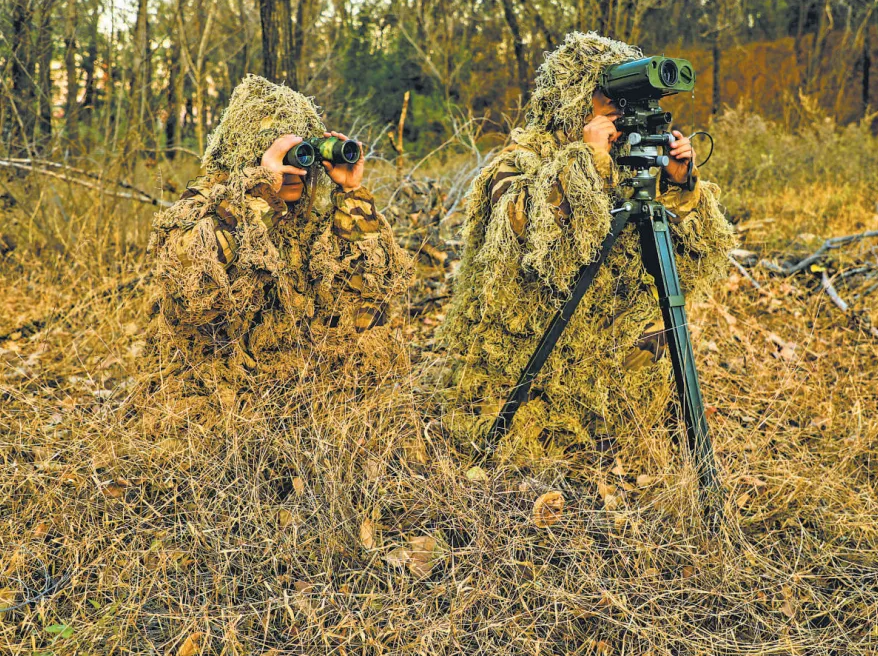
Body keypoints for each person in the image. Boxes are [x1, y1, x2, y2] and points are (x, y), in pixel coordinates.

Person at [436, 32, 736, 459]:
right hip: (534, 343)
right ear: (571, 98)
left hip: (608, 347)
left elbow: (696, 252)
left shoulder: (630, 157)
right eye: (604, 93)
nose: (618, 107)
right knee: (521, 443)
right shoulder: (520, 159)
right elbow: (525, 234)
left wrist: (678, 181)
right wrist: (588, 161)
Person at [146, 74, 412, 397]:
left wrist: (352, 194)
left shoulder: (308, 219)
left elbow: (367, 299)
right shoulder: (207, 205)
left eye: (303, 154)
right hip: (220, 396)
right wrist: (258, 194)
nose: (296, 168)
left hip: (300, 394)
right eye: (282, 154)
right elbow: (189, 289)